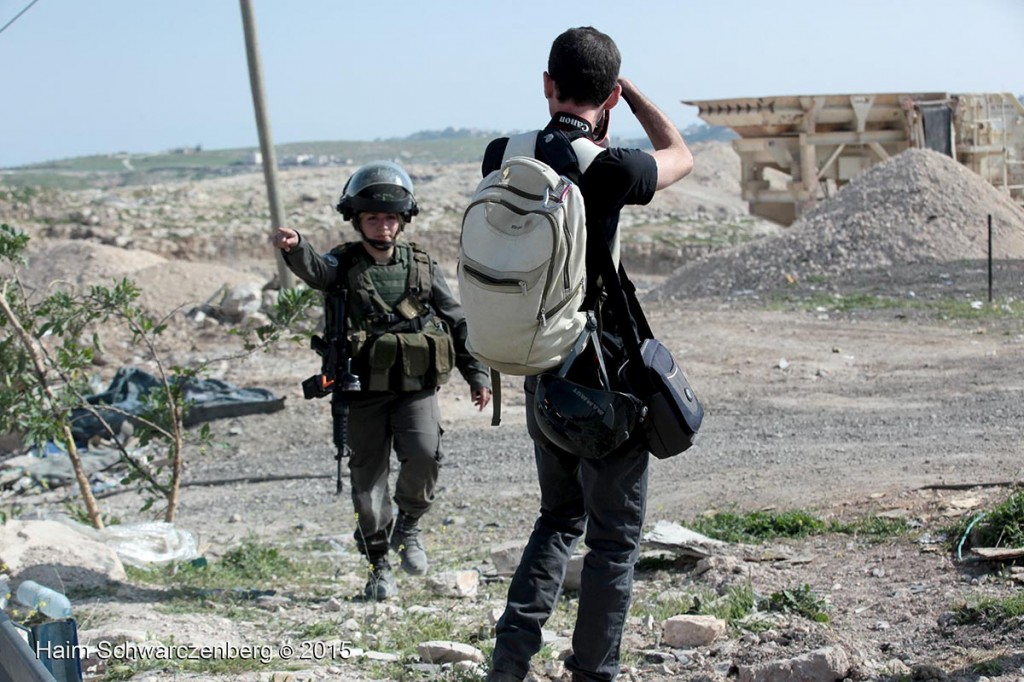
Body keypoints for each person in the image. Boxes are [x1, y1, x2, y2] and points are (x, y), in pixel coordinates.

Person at [480, 27, 694, 681]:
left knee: (557, 517)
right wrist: (630, 100)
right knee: (611, 544)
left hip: (539, 376)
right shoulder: (615, 169)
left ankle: (509, 663)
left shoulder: (500, 154)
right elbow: (680, 152)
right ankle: (594, 673)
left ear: (548, 86)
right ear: (608, 95)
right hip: (605, 390)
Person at [272, 160, 492, 601]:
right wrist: (296, 247)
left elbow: (457, 321)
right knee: (368, 486)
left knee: (426, 457)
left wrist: (477, 373)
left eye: (390, 217)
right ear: (357, 220)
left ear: (403, 219)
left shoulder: (423, 267)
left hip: (415, 389)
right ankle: (379, 564)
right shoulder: (343, 264)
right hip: (363, 393)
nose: (383, 225)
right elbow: (316, 268)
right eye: (373, 217)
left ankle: (408, 524)